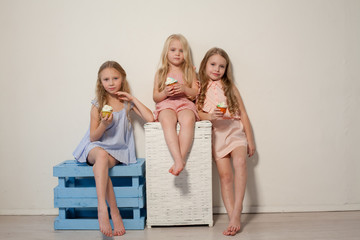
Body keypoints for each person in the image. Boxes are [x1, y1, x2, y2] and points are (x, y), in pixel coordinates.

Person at [73, 61, 154, 237]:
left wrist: (133, 99)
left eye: (115, 78)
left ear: (122, 78)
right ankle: (106, 209)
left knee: (102, 166)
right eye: (106, 79)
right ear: (100, 82)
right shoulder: (97, 104)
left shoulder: (126, 103)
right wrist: (103, 124)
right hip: (95, 148)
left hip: (117, 151)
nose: (111, 83)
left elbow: (151, 118)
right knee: (100, 157)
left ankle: (111, 210)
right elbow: (93, 137)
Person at [197, 48, 256, 236]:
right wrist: (209, 115)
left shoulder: (230, 87)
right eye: (213, 64)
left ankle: (237, 212)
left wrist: (250, 139)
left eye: (221, 66)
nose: (217, 69)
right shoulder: (199, 88)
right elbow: (196, 112)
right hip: (217, 136)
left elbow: (244, 114)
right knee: (225, 177)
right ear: (205, 65)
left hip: (235, 132)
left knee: (240, 163)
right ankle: (232, 217)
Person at [153, 34, 199, 176]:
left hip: (185, 102)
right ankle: (178, 160)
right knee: (167, 120)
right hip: (167, 103)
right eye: (173, 50)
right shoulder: (161, 73)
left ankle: (180, 159)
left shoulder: (189, 70)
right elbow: (155, 97)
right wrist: (165, 92)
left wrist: (185, 89)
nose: (177, 54)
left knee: (188, 119)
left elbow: (195, 93)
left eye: (181, 50)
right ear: (166, 52)